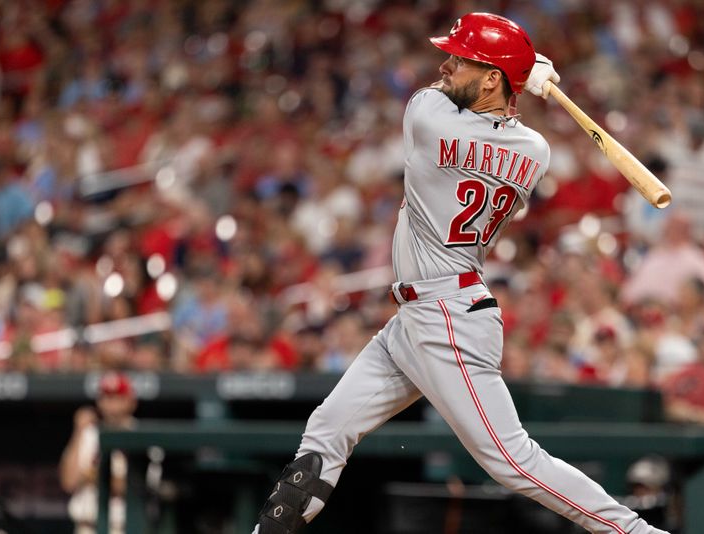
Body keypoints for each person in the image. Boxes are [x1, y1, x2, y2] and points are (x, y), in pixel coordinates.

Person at [252, 13, 668, 534]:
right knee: (328, 429)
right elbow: (497, 145)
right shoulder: (534, 152)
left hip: (446, 314)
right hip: (423, 313)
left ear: (493, 78)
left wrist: (520, 71)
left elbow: (437, 97)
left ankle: (636, 532)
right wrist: (518, 75)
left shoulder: (427, 116)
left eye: (462, 59)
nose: (447, 65)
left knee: (513, 462)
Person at [59, 371, 138, 534]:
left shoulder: (141, 436)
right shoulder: (88, 434)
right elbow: (68, 481)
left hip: (123, 528)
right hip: (87, 527)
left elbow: (143, 489)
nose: (111, 404)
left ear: (131, 401)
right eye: (107, 397)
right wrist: (78, 431)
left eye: (118, 397)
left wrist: (97, 477)